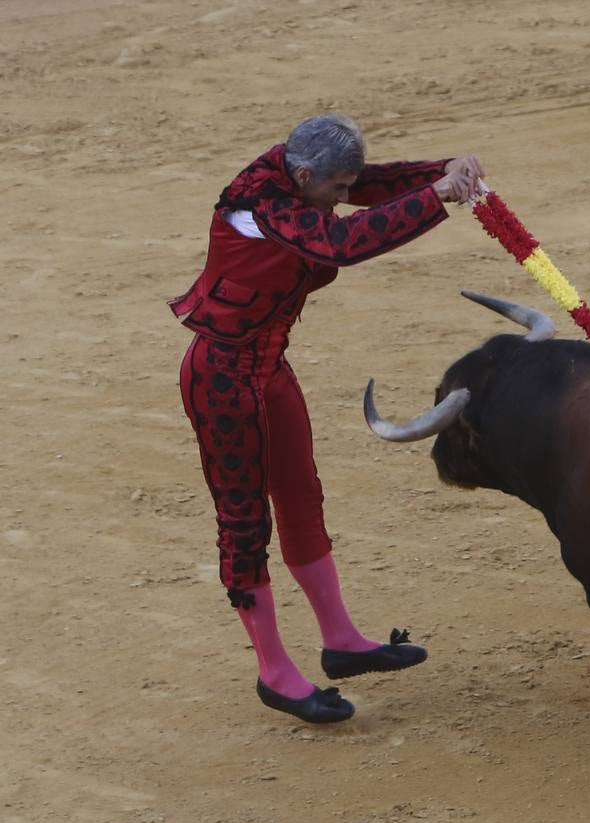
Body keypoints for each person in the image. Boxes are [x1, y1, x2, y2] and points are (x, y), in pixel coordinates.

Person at [169, 113, 485, 724]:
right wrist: (434, 199)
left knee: (302, 499)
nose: (346, 198)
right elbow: (339, 243)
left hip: (266, 370)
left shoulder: (300, 173)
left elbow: (364, 186)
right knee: (243, 523)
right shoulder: (262, 203)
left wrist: (438, 171)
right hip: (221, 380)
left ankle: (340, 641)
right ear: (306, 173)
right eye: (337, 189)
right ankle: (274, 672)